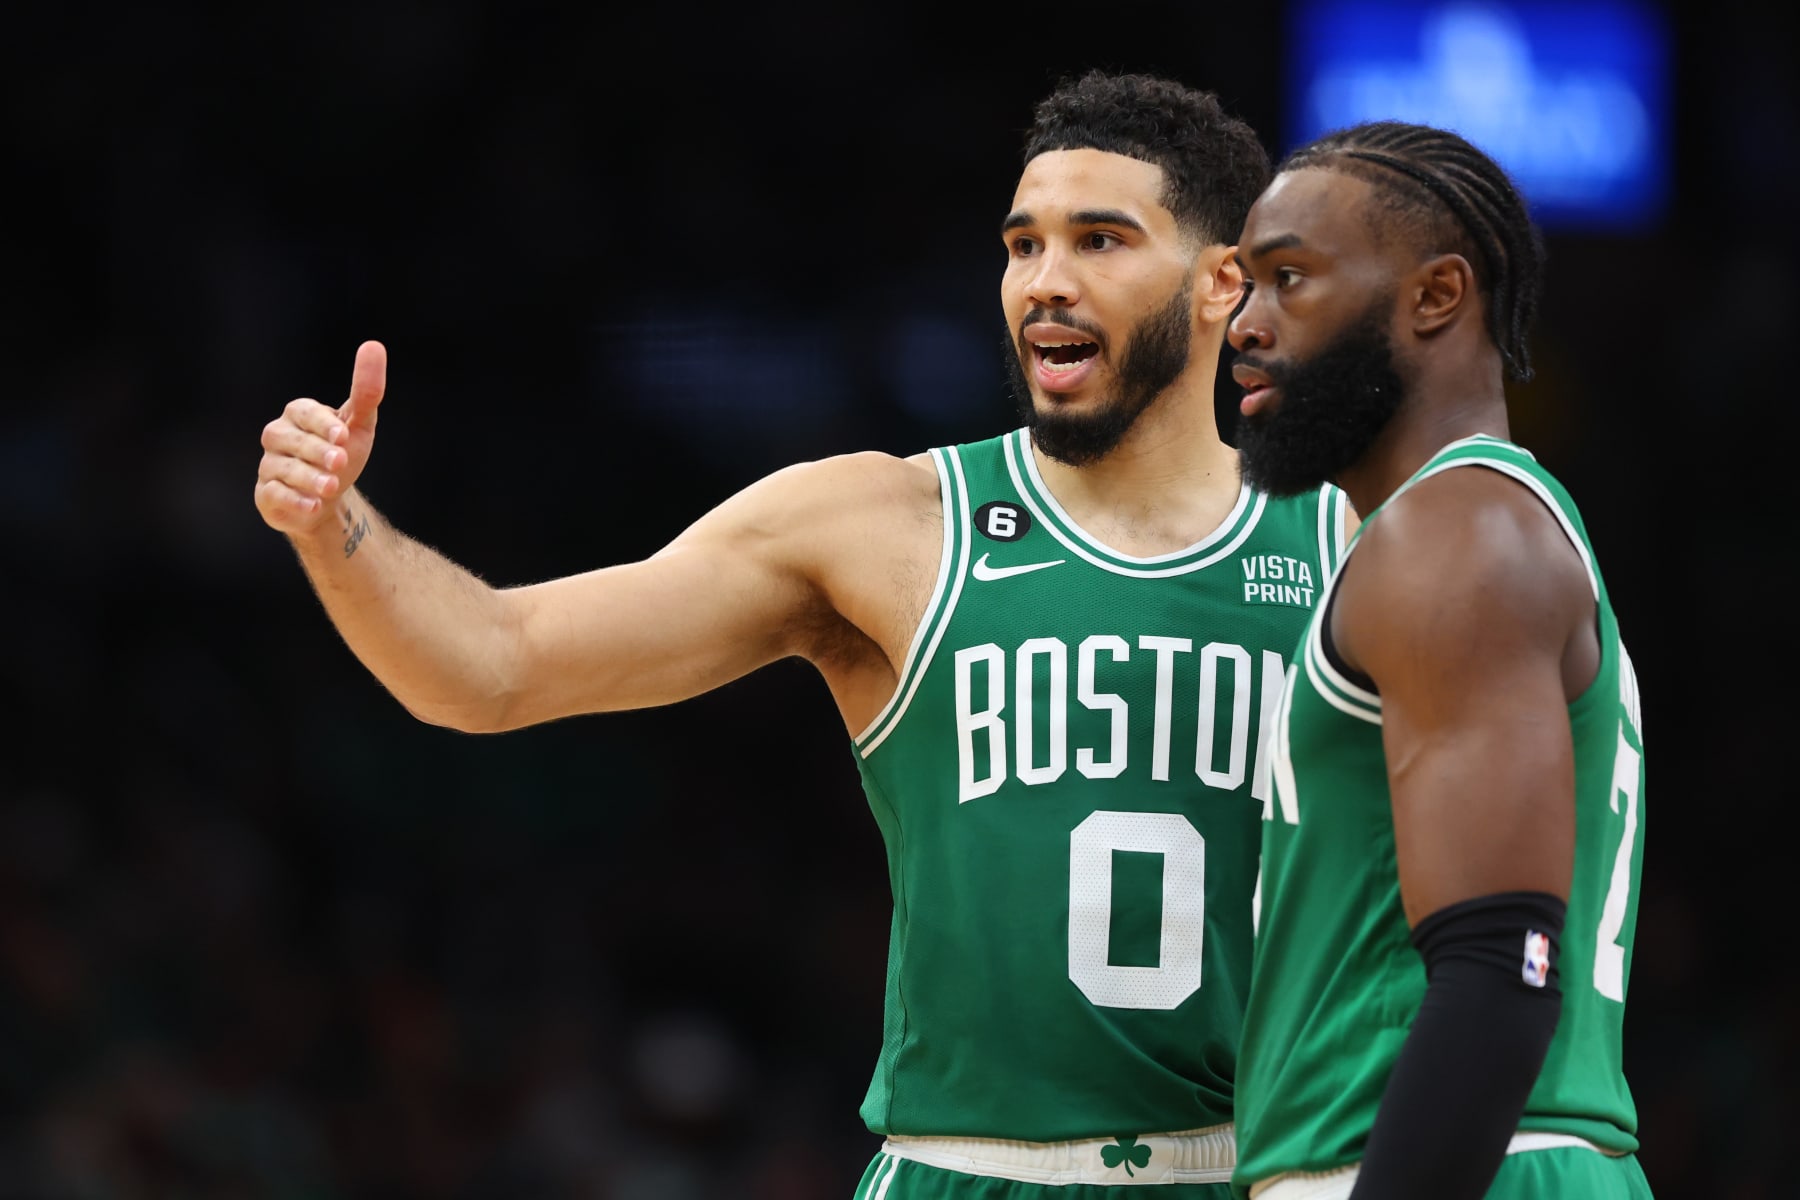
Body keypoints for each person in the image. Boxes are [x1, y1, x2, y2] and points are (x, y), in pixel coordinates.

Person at [254, 71, 1352, 1199]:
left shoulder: (1359, 550)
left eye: (1102, 241)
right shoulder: (886, 527)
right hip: (964, 1168)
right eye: (1023, 246)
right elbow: (493, 665)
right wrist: (338, 527)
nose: (1046, 283)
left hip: (1258, 1172)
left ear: (1226, 282)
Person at [1223, 121, 1651, 1200]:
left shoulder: (1453, 537)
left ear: (1436, 297)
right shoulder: (1465, 528)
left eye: (1289, 279)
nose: (1244, 325)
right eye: (1242, 287)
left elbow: (1501, 972)